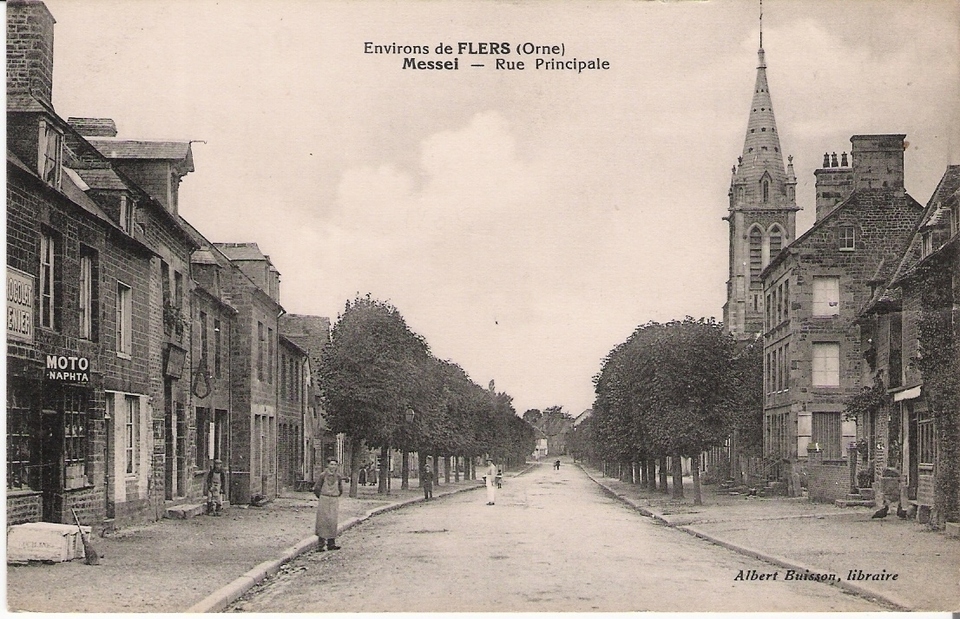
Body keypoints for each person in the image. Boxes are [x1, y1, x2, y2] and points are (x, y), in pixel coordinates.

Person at [313, 458, 343, 551]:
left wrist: (336, 494)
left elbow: (340, 488)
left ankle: (331, 543)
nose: (333, 467)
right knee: (322, 521)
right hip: (324, 499)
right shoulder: (322, 476)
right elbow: (317, 488)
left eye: (335, 465)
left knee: (332, 521)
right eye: (331, 464)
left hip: (334, 499)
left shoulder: (338, 476)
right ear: (328, 465)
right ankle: (320, 545)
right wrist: (322, 497)